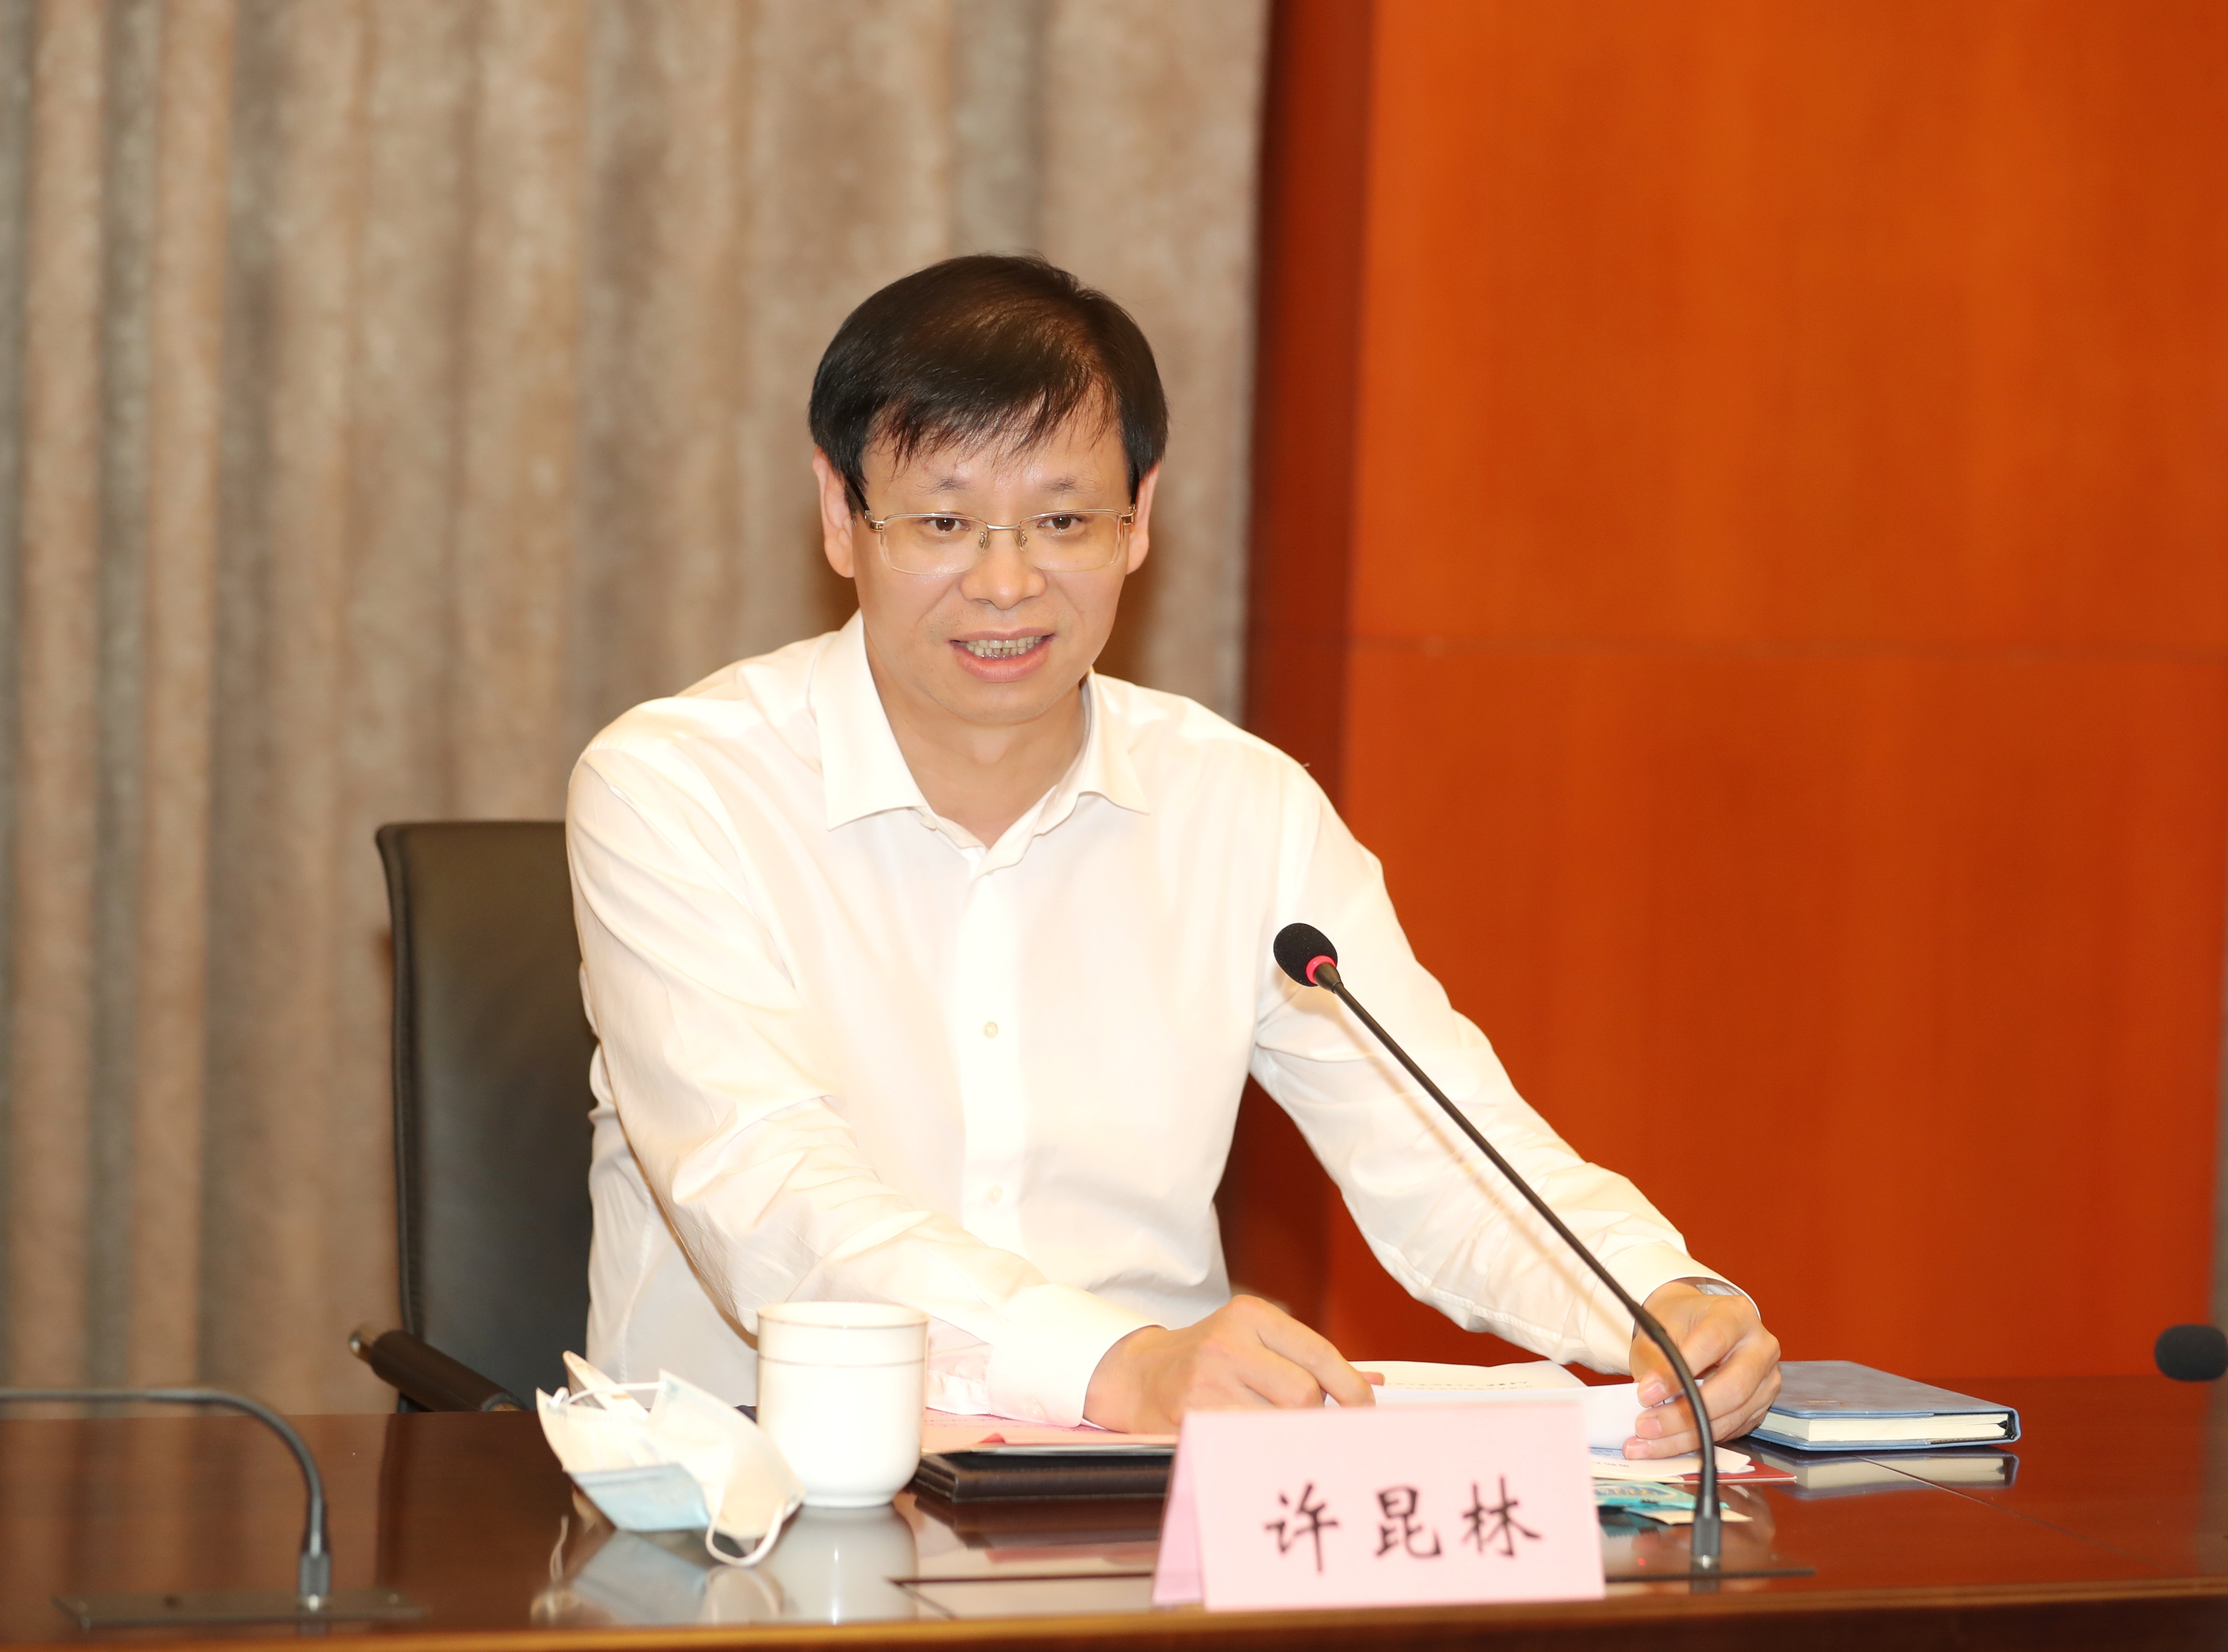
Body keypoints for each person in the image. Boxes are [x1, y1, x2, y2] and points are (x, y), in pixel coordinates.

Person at [567, 255, 1780, 1453]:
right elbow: (762, 1186)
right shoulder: (677, 789)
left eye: (1062, 521)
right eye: (944, 521)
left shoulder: (1242, 807)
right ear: (841, 516)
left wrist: (1653, 1296)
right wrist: (1116, 1363)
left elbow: (1435, 1141)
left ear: (1139, 519)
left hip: (1141, 1499)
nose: (1006, 583)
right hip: (759, 1486)